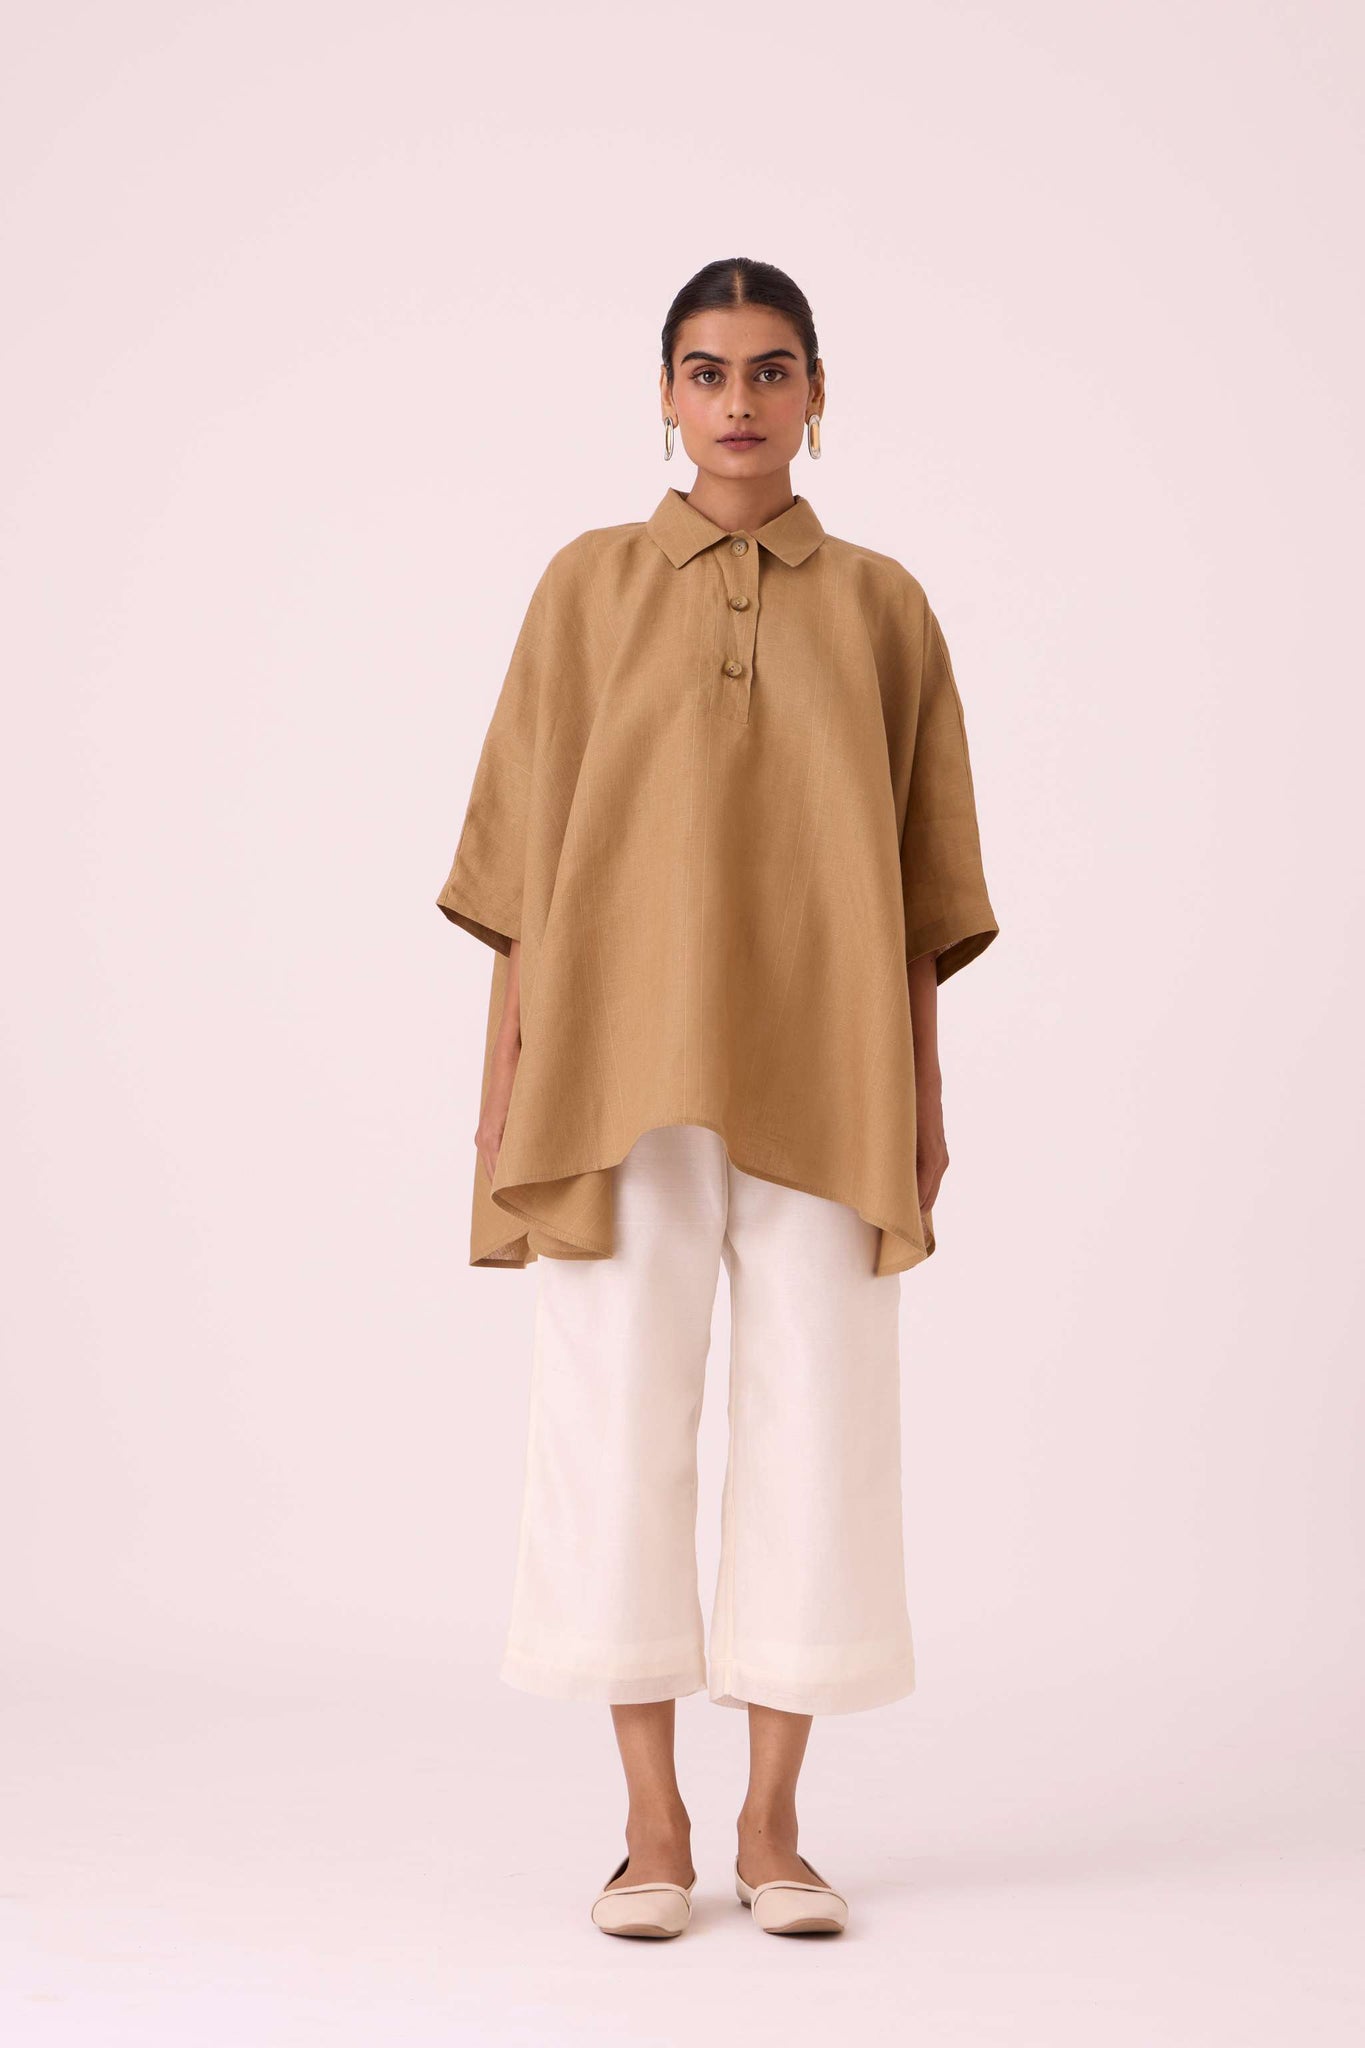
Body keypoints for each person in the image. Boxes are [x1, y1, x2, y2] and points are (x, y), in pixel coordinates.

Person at [434, 257, 1000, 1939]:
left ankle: (773, 1826)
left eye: (768, 370)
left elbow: (917, 889)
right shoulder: (584, 587)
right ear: (666, 396)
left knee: (820, 1425)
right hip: (612, 1067)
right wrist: (500, 1091)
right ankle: (650, 1827)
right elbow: (524, 867)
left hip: (827, 1063)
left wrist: (921, 1092)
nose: (737, 402)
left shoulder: (884, 606)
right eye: (705, 371)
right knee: (612, 1424)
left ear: (816, 393)